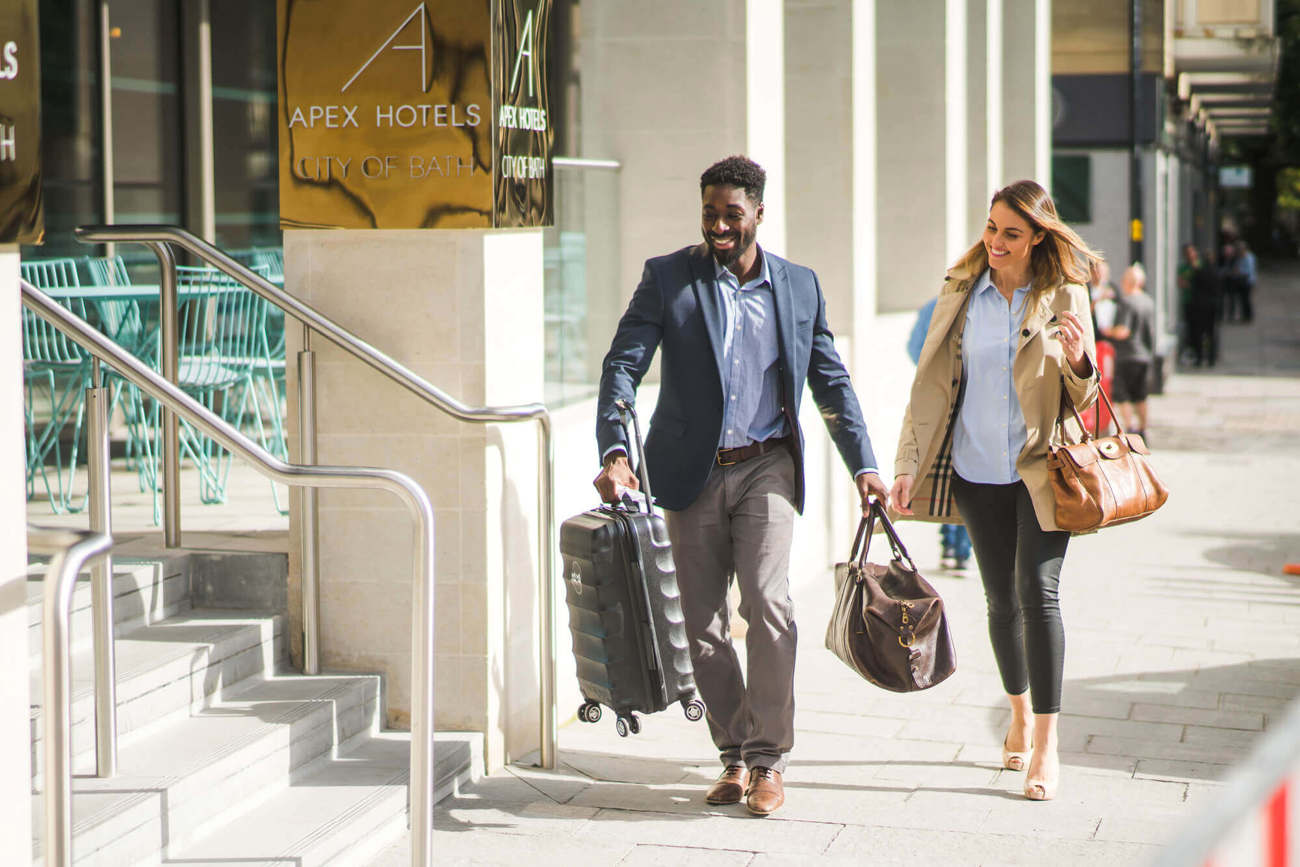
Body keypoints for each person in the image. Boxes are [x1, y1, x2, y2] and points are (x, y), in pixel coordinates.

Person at [593, 155, 887, 817]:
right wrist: (616, 450)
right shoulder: (668, 277)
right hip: (690, 471)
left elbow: (831, 383)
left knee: (768, 602)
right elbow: (622, 367)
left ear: (759, 213)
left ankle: (767, 760)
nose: (720, 226)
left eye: (733, 214)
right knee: (700, 625)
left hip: (766, 466)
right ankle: (733, 752)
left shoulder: (799, 286)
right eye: (710, 214)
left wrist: (864, 465)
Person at [888, 180, 1100, 803]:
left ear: (1037, 237)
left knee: (1039, 594)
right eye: (991, 228)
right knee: (1000, 601)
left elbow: (1084, 395)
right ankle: (1018, 713)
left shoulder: (1065, 293)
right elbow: (929, 385)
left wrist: (1079, 359)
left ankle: (1048, 743)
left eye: (1011, 233)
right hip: (976, 469)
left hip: (1042, 468)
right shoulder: (962, 291)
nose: (996, 242)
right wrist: (907, 463)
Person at [907, 298, 971, 571]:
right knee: (967, 471)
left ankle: (952, 545)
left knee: (950, 472)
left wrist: (935, 374)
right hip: (968, 398)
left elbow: (914, 349)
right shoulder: (974, 303)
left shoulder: (932, 307)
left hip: (942, 398)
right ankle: (961, 547)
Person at [1101, 263, 1155, 440]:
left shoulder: (1127, 302)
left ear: (1128, 282)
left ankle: (1130, 429)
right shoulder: (1148, 301)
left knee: (1122, 395)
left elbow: (1123, 330)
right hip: (1143, 355)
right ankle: (1143, 430)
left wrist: (1108, 331)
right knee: (1140, 395)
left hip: (1126, 355)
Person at [1187, 247, 1222, 367]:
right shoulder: (1216, 273)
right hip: (1212, 305)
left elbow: (1193, 289)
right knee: (1211, 332)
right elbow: (1219, 292)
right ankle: (1211, 358)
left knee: (1199, 332)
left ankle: (1200, 357)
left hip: (1200, 306)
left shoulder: (1199, 272)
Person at [1235, 240, 1257, 323]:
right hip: (1241, 280)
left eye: (1240, 249)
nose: (1239, 251)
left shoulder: (1249, 258)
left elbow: (1249, 271)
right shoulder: (1240, 257)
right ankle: (1244, 316)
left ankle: (1248, 316)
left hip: (1247, 281)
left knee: (1246, 299)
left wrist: (1239, 272)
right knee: (1242, 299)